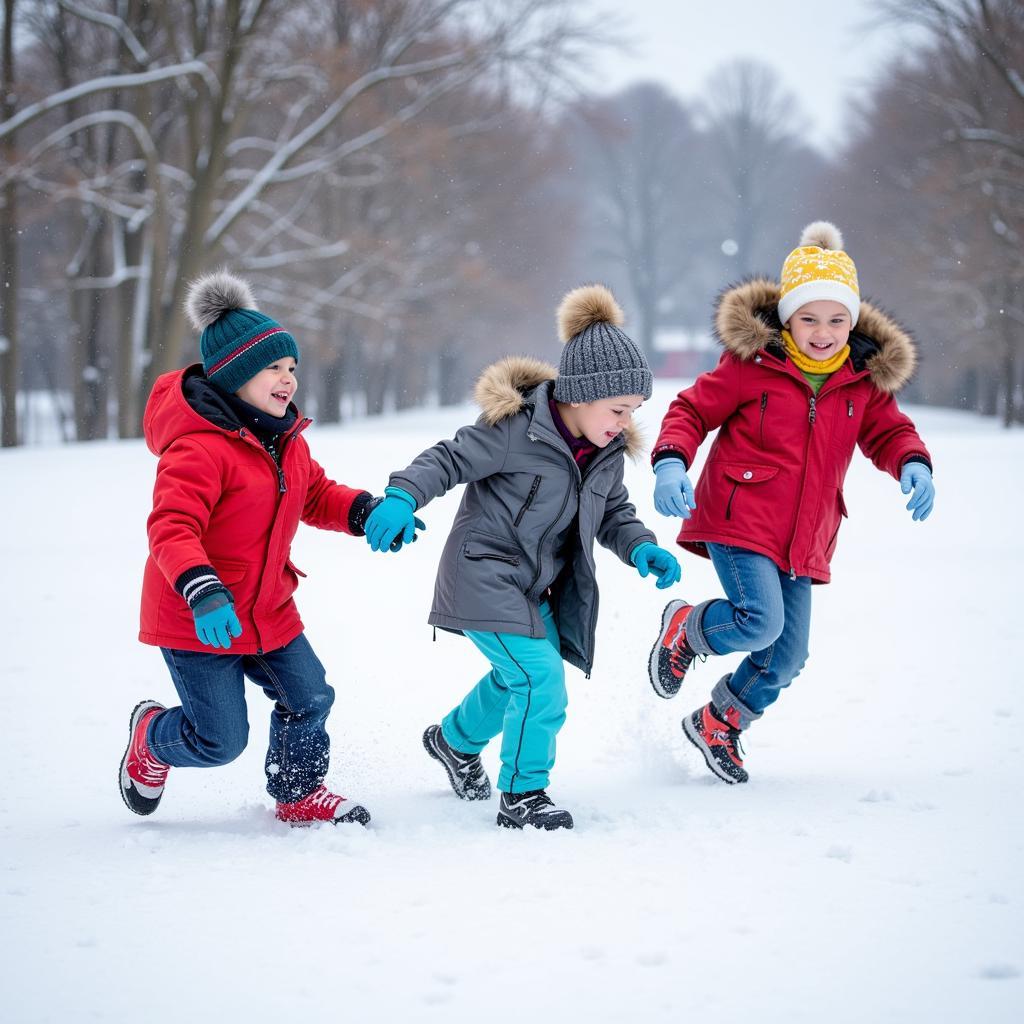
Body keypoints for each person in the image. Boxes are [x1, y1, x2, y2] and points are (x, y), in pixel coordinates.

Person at [364, 285, 681, 830]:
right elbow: (448, 459)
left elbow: (612, 512)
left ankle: (455, 741)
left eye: (634, 411)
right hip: (481, 571)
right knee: (539, 681)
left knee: (523, 675)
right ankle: (523, 794)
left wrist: (641, 546)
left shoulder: (605, 452)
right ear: (581, 396)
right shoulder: (514, 430)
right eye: (618, 408)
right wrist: (401, 495)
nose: (625, 422)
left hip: (537, 586)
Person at [647, 222, 935, 784]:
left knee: (787, 655)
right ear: (786, 319)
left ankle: (721, 720)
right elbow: (690, 410)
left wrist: (914, 463)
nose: (822, 332)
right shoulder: (751, 367)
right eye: (808, 318)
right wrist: (669, 461)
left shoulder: (860, 382)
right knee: (759, 623)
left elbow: (890, 432)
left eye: (835, 320)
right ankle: (687, 627)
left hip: (805, 536)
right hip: (738, 517)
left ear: (851, 322)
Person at [119, 271, 391, 826]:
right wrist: (202, 588)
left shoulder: (285, 440)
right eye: (273, 367)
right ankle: (152, 737)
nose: (288, 379)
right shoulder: (197, 449)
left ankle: (297, 792)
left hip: (267, 606)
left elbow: (314, 494)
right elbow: (171, 526)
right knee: (219, 741)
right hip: (201, 614)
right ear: (235, 374)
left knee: (310, 697)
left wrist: (362, 510)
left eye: (291, 367)